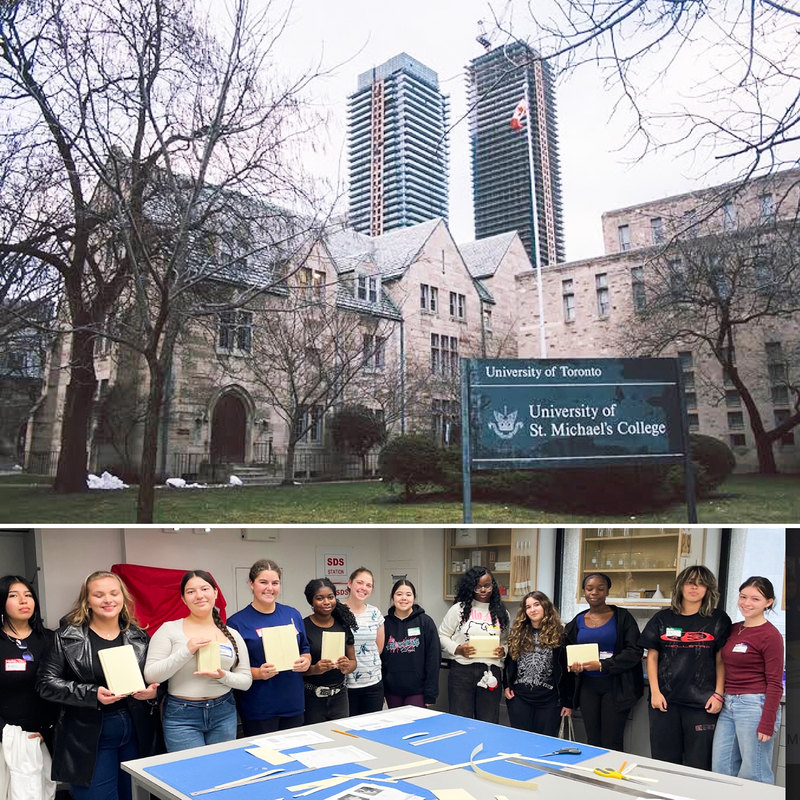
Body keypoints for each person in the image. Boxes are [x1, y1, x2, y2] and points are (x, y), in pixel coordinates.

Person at [37, 571, 160, 800]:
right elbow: (46, 683)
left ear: (123, 597)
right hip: (89, 732)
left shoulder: (139, 636)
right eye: (99, 595)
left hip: (135, 728)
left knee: (135, 796)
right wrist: (91, 694)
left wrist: (153, 691)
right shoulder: (65, 637)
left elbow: (157, 678)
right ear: (87, 601)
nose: (108, 600)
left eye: (114, 593)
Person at [144, 570, 251, 752]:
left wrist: (223, 676)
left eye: (204, 589)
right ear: (184, 599)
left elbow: (246, 681)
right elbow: (151, 675)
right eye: (191, 591)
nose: (199, 595)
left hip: (224, 711)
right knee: (191, 773)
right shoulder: (169, 630)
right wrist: (187, 650)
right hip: (181, 715)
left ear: (215, 593)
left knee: (222, 770)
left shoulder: (232, 634)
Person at [638, 565, 731, 770]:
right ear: (680, 586)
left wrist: (718, 694)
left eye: (700, 584)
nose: (694, 588)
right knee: (665, 763)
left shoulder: (718, 620)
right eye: (690, 582)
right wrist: (654, 692)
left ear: (708, 589)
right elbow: (652, 657)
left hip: (702, 703)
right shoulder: (662, 619)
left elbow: (721, 660)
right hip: (665, 702)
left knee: (699, 764)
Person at [712, 576, 784, 784]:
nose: (747, 603)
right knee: (721, 768)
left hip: (755, 706)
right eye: (743, 597)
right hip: (729, 704)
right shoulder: (734, 629)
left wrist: (767, 722)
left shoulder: (770, 635)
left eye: (755, 599)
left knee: (755, 773)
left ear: (768, 602)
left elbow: (775, 682)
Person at [227, 559, 311, 735]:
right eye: (263, 582)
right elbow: (230, 668)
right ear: (251, 584)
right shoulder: (236, 622)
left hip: (293, 701)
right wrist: (258, 673)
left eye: (275, 583)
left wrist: (306, 661)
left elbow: (305, 648)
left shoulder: (292, 614)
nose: (269, 588)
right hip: (259, 705)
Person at [565, 572, 644, 750]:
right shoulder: (578, 621)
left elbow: (634, 651)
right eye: (589, 588)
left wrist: (602, 665)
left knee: (612, 740)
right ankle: (593, 776)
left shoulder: (622, 618)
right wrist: (574, 665)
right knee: (592, 739)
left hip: (615, 686)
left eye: (600, 589)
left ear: (607, 591)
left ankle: (612, 776)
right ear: (584, 591)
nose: (594, 592)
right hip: (587, 686)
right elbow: (566, 650)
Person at [0, 575, 57, 800]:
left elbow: (61, 689)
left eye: (28, 595)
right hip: (5, 738)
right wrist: (6, 733)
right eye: (14, 595)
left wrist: (47, 730)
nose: (24, 601)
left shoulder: (52, 639)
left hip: (45, 735)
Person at [438, 566, 509, 723]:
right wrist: (458, 649)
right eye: (477, 586)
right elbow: (442, 636)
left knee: (489, 721)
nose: (482, 590)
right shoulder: (459, 609)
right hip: (462, 672)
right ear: (471, 587)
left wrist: (503, 651)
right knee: (460, 719)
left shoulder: (501, 612)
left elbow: (505, 641)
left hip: (490, 671)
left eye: (487, 586)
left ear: (493, 586)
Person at [504, 591, 574, 736]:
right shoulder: (517, 633)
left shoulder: (561, 634)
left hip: (549, 700)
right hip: (520, 698)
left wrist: (568, 701)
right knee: (521, 740)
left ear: (545, 606)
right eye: (528, 607)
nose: (533, 610)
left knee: (546, 742)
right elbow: (509, 663)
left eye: (537, 604)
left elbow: (568, 672)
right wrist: (507, 685)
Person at [302, 578, 357, 724]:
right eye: (320, 598)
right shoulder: (303, 627)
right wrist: (315, 669)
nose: (326, 602)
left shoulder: (343, 625)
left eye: (330, 597)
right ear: (311, 601)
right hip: (312, 697)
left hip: (340, 696)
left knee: (341, 737)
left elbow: (353, 662)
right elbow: (296, 668)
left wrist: (347, 666)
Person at [381, 579, 440, 709]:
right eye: (399, 594)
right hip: (392, 689)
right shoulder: (384, 623)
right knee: (396, 727)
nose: (404, 598)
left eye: (408, 594)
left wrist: (431, 693)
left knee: (415, 727)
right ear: (393, 597)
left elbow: (433, 658)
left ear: (414, 597)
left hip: (418, 690)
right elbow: (379, 658)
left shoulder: (425, 622)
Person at [344, 567, 385, 715]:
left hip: (373, 682)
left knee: (372, 729)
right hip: (346, 684)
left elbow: (378, 647)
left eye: (368, 585)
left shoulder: (375, 613)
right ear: (349, 583)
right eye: (359, 583)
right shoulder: (338, 612)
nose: (363, 588)